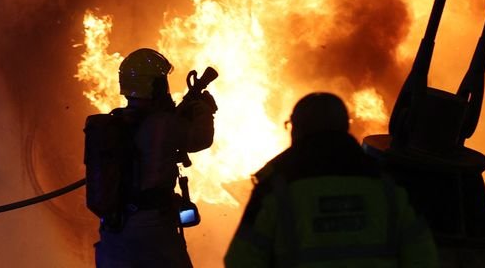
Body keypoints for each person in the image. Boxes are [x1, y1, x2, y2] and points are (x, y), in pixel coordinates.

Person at [224, 92, 439, 268]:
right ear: (345, 127)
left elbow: (240, 260)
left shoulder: (275, 189)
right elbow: (423, 257)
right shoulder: (389, 186)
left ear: (297, 129)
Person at [92, 48, 217, 268]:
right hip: (152, 231)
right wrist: (204, 110)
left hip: (113, 232)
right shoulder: (162, 124)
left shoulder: (116, 122)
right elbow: (200, 139)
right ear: (155, 85)